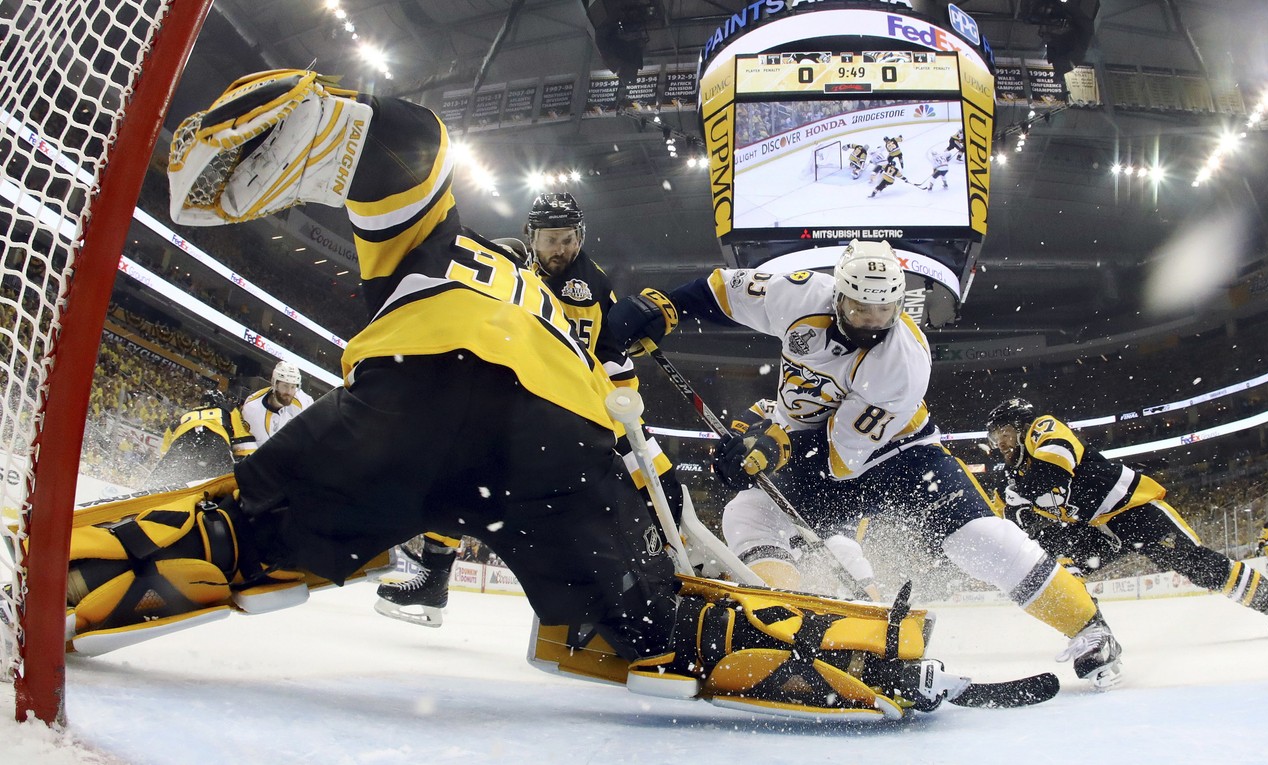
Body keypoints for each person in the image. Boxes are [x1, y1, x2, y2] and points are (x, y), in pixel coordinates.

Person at [63, 70, 957, 720]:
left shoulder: (447, 248)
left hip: (414, 398)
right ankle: (880, 658)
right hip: (554, 438)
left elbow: (410, 150)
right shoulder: (567, 301)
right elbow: (621, 393)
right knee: (646, 617)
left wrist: (335, 113)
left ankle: (56, 579)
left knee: (251, 530)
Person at [608, 241, 1127, 688]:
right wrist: (663, 306)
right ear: (837, 295)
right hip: (813, 442)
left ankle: (1089, 627)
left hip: (901, 455)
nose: (871, 322)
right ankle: (783, 627)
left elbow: (838, 459)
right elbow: (721, 290)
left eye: (883, 312)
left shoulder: (902, 365)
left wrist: (767, 446)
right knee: (748, 513)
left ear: (899, 304)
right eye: (858, 308)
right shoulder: (798, 293)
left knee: (978, 540)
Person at [374, 191, 683, 627]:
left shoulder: (584, 286)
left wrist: (625, 422)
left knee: (655, 481)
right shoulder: (521, 270)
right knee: (461, 471)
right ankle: (436, 578)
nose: (564, 249)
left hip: (583, 408)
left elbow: (611, 358)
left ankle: (668, 581)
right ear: (532, 237)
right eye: (553, 239)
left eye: (570, 238)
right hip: (533, 405)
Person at [986, 398, 1268, 637]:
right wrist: (1014, 516)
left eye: (1005, 434)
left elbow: (1055, 472)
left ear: (1023, 427)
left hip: (1131, 510)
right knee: (1055, 574)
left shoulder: (1042, 429)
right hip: (1095, 531)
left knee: (1194, 563)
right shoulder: (1013, 474)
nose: (1000, 444)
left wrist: (1021, 497)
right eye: (994, 437)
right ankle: (1094, 636)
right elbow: (995, 522)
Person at [144, 388, 255, 487]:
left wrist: (166, 463)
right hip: (214, 442)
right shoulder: (228, 411)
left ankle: (143, 494)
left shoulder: (181, 417)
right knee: (223, 484)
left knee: (160, 480)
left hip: (182, 441)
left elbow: (165, 450)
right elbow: (244, 442)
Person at [239, 361, 315, 445]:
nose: (289, 392)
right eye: (285, 386)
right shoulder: (253, 409)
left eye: (293, 387)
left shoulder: (303, 401)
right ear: (274, 384)